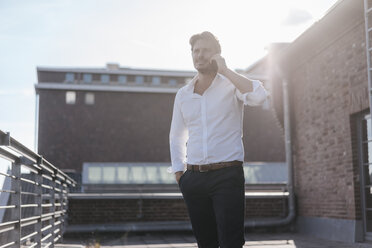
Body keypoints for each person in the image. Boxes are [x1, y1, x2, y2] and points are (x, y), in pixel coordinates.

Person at [169, 31, 268, 248]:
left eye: (205, 51)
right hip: (193, 179)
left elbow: (259, 96)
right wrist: (179, 173)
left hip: (227, 177)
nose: (199, 55)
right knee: (206, 243)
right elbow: (176, 134)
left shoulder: (231, 85)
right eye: (196, 51)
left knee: (231, 242)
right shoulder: (183, 94)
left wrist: (224, 70)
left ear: (216, 55)